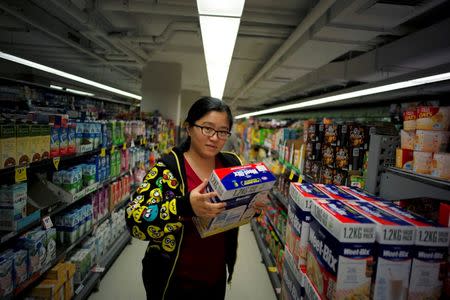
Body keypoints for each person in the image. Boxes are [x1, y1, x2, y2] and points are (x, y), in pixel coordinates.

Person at [125, 97, 265, 300]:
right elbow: (134, 220)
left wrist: (252, 205)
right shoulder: (168, 170)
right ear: (189, 128)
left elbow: (234, 211)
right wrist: (185, 206)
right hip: (174, 279)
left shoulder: (231, 164)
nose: (215, 138)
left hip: (215, 275)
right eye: (207, 128)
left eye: (222, 131)